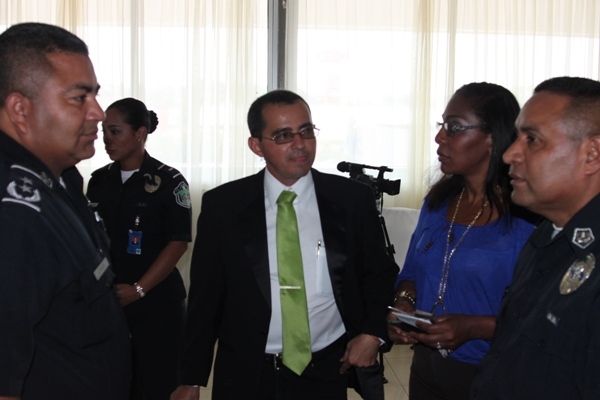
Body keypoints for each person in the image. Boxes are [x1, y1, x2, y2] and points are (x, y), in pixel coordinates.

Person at [170, 89, 399, 400]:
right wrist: (191, 378)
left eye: (306, 131)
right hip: (247, 372)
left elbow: (379, 273)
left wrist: (372, 334)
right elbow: (205, 298)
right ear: (256, 145)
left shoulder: (351, 199)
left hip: (326, 369)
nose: (299, 143)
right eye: (283, 135)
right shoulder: (224, 206)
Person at [0, 22, 131, 399]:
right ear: (20, 109)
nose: (98, 113)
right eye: (79, 98)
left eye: (95, 96)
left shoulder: (62, 179)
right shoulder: (13, 212)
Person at [387, 82, 536, 400]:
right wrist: (404, 303)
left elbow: (540, 317)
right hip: (426, 369)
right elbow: (411, 272)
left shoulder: (526, 217)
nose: (440, 137)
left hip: (491, 376)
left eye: (454, 127)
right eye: (441, 125)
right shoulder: (437, 202)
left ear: (492, 138)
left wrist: (474, 327)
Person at [470, 77, 600, 399]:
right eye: (517, 137)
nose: (509, 154)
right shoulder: (545, 235)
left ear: (592, 154)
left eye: (532, 139)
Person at [87, 98, 192, 400]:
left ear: (140, 133)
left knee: (157, 387)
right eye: (104, 131)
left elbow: (178, 242)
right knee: (113, 384)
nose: (107, 140)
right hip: (110, 303)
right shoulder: (99, 181)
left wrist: (139, 289)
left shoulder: (169, 182)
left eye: (115, 131)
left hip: (157, 304)